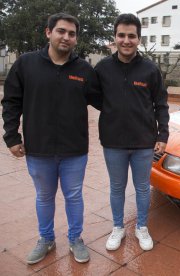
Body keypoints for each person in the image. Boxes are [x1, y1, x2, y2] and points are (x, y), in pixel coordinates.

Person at [1, 13, 100, 264]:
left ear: (76, 38)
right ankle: (46, 239)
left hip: (74, 150)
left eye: (71, 33)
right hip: (38, 149)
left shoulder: (84, 69)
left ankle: (75, 239)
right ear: (48, 33)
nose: (66, 37)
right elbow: (11, 102)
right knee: (44, 197)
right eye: (61, 31)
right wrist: (11, 137)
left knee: (74, 196)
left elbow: (104, 101)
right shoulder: (26, 64)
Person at [94, 13, 169, 251]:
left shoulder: (150, 70)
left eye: (132, 36)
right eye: (121, 35)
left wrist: (163, 135)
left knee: (142, 188)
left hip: (143, 143)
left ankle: (142, 227)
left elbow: (161, 104)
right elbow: (96, 98)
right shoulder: (103, 68)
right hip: (113, 142)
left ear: (139, 38)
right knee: (117, 188)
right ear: (115, 37)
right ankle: (118, 227)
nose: (126, 40)